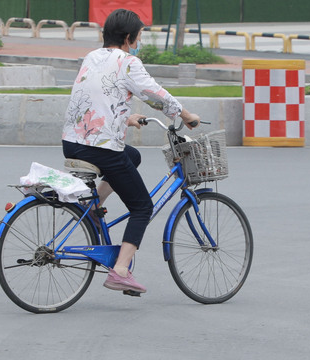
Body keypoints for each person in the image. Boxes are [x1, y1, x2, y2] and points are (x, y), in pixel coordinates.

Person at [62, 8, 200, 295]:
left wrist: (125, 118)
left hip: (74, 142)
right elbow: (153, 93)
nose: (140, 41)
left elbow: (94, 99)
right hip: (100, 148)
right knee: (142, 207)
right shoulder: (127, 62)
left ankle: (92, 207)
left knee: (132, 156)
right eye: (139, 36)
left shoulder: (92, 57)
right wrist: (184, 114)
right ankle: (121, 270)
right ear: (128, 37)